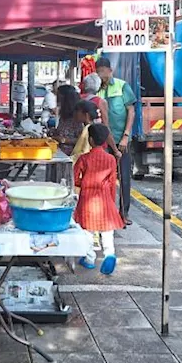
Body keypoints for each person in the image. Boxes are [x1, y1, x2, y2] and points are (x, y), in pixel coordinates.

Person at [73, 123, 126, 275]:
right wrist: (112, 200)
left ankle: (89, 259)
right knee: (107, 231)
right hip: (105, 199)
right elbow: (112, 182)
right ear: (104, 141)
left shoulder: (84, 159)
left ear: (90, 139)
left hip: (88, 199)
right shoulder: (110, 159)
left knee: (88, 231)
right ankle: (109, 254)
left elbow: (75, 177)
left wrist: (81, 184)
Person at [96, 57, 136, 224]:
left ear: (109, 70)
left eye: (103, 71)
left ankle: (123, 214)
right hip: (103, 142)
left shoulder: (122, 86)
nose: (101, 74)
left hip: (121, 140)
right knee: (104, 178)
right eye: (98, 72)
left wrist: (126, 136)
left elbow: (131, 112)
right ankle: (107, 212)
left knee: (124, 178)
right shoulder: (97, 88)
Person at [49, 85, 84, 156]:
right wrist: (54, 131)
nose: (57, 99)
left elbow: (82, 140)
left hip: (71, 155)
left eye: (59, 97)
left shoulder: (77, 117)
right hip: (59, 152)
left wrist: (64, 140)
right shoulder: (64, 115)